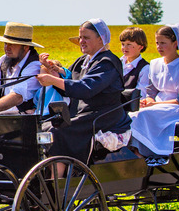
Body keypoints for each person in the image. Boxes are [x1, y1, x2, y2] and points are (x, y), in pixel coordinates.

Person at [36, 19, 130, 165]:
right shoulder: (83, 61)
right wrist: (55, 71)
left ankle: (57, 180)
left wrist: (53, 80)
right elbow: (70, 84)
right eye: (80, 37)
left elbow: (85, 88)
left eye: (86, 38)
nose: (81, 41)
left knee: (56, 133)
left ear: (101, 39)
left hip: (103, 117)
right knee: (42, 127)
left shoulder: (108, 62)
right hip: (83, 114)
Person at [129, 24, 179, 158]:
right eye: (157, 43)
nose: (159, 47)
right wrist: (148, 100)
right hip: (159, 105)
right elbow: (151, 92)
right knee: (132, 114)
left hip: (177, 108)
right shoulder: (155, 64)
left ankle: (146, 152)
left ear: (175, 43)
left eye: (163, 43)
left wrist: (154, 105)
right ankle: (134, 149)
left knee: (142, 116)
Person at [119, 27, 149, 91]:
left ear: (140, 47)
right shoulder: (117, 63)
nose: (124, 47)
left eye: (129, 44)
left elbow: (141, 94)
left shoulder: (145, 68)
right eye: (123, 44)